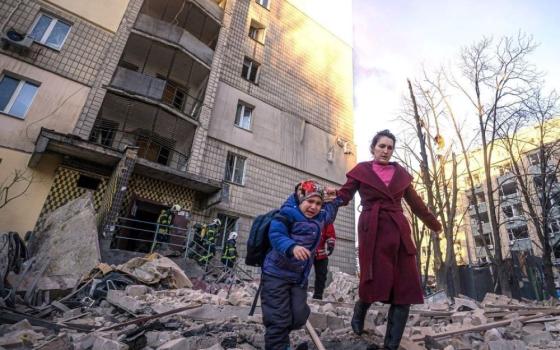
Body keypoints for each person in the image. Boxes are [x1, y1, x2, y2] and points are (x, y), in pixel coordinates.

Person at [333, 129, 442, 350]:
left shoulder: (401, 174)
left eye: (390, 147)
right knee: (374, 279)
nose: (385, 150)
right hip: (372, 231)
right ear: (373, 147)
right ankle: (360, 310)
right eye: (382, 146)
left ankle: (390, 345)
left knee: (405, 287)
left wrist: (435, 224)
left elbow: (416, 203)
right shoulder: (361, 171)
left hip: (399, 233)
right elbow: (343, 196)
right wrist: (322, 202)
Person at [261, 180, 342, 350]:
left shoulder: (320, 217)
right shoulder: (287, 213)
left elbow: (330, 214)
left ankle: (281, 332)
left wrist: (335, 198)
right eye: (310, 201)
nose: (314, 207)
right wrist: (292, 247)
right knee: (278, 318)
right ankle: (278, 344)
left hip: (298, 278)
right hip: (276, 274)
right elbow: (276, 234)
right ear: (300, 199)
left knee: (299, 316)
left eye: (319, 203)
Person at [312, 223, 336, 300]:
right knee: (301, 274)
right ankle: (299, 294)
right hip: (305, 251)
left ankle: (318, 296)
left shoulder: (326, 218)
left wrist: (331, 244)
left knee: (322, 274)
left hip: (320, 253)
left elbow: (330, 232)